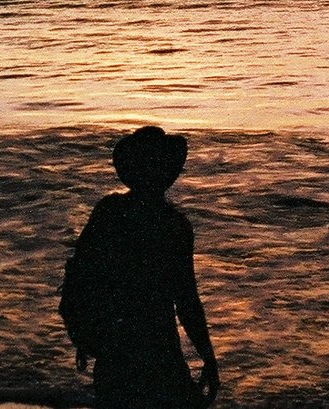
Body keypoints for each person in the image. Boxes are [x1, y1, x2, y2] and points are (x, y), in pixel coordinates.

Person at [63, 126, 220, 408]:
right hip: (160, 352)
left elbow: (79, 275)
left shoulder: (109, 212)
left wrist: (85, 335)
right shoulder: (175, 227)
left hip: (115, 351)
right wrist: (208, 357)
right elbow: (186, 301)